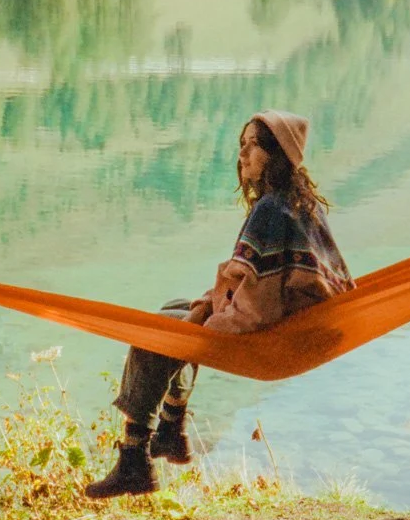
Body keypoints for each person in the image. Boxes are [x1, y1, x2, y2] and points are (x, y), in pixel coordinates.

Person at [84, 110, 353, 499]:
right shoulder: (303, 204)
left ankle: (135, 460)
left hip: (267, 333)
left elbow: (254, 305)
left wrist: (206, 316)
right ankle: (172, 429)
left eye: (251, 146)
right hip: (299, 327)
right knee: (173, 309)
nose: (242, 156)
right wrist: (202, 309)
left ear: (276, 154)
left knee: (152, 338)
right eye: (240, 146)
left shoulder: (269, 211)